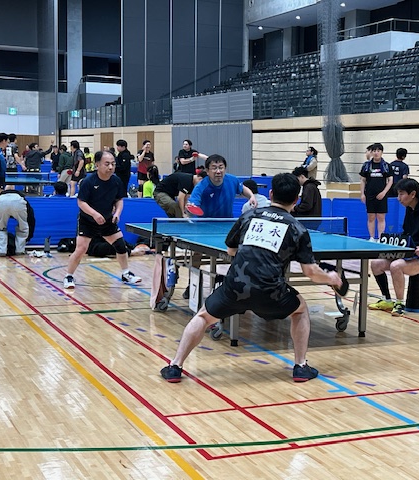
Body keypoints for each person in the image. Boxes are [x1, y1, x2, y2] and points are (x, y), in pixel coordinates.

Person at [159, 173, 343, 383]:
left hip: (235, 287)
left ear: (271, 194)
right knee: (300, 310)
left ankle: (175, 366)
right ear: (296, 199)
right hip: (271, 293)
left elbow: (230, 251)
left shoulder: (249, 216)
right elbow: (310, 272)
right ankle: (300, 366)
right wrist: (330, 278)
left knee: (202, 317)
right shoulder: (297, 228)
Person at [63, 151, 142, 289]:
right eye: (107, 164)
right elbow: (81, 202)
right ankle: (69, 276)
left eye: (113, 164)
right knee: (81, 249)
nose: (110, 167)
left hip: (107, 221)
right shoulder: (88, 181)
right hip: (88, 221)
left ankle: (126, 273)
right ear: (97, 165)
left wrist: (117, 213)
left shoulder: (116, 181)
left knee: (121, 246)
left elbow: (119, 200)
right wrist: (94, 214)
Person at [368, 178, 419, 316]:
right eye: (398, 194)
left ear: (413, 194)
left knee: (396, 266)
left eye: (401, 194)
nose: (398, 198)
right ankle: (387, 300)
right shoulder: (410, 208)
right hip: (410, 254)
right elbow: (406, 233)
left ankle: (399, 304)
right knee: (375, 264)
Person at [188, 154, 256, 217]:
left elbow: (242, 188)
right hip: (206, 223)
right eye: (214, 168)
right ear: (207, 171)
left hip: (227, 222)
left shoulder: (233, 180)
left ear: (225, 169)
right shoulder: (200, 187)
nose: (218, 171)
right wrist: (190, 208)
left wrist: (251, 196)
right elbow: (193, 206)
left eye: (221, 167)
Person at [360, 143, 393, 241]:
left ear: (382, 152)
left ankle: (380, 237)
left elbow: (390, 180)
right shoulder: (366, 166)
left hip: (382, 195)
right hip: (370, 194)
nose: (376, 153)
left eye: (378, 151)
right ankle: (371, 237)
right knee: (371, 217)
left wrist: (384, 192)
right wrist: (362, 194)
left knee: (381, 217)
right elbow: (363, 180)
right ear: (371, 152)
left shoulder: (386, 166)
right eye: (374, 151)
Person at [0, 189, 36, 256]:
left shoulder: (0, 197)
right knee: (23, 228)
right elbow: (31, 220)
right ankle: (20, 250)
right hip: (19, 202)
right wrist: (29, 237)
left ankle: (1, 250)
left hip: (1, 201)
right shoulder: (22, 198)